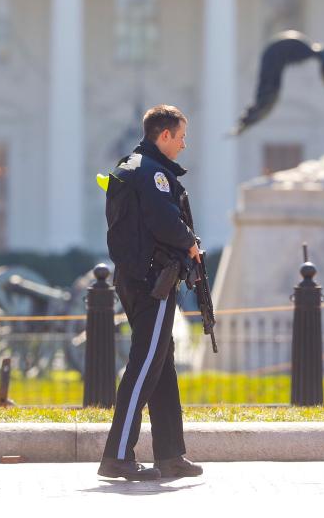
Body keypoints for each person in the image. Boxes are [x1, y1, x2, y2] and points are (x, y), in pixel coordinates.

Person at [98, 105, 203, 481]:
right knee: (144, 366)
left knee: (161, 366)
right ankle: (117, 455)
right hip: (153, 283)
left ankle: (170, 454)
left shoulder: (129, 166)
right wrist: (190, 243)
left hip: (133, 278)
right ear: (163, 135)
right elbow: (164, 222)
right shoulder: (154, 173)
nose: (183, 144)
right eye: (180, 137)